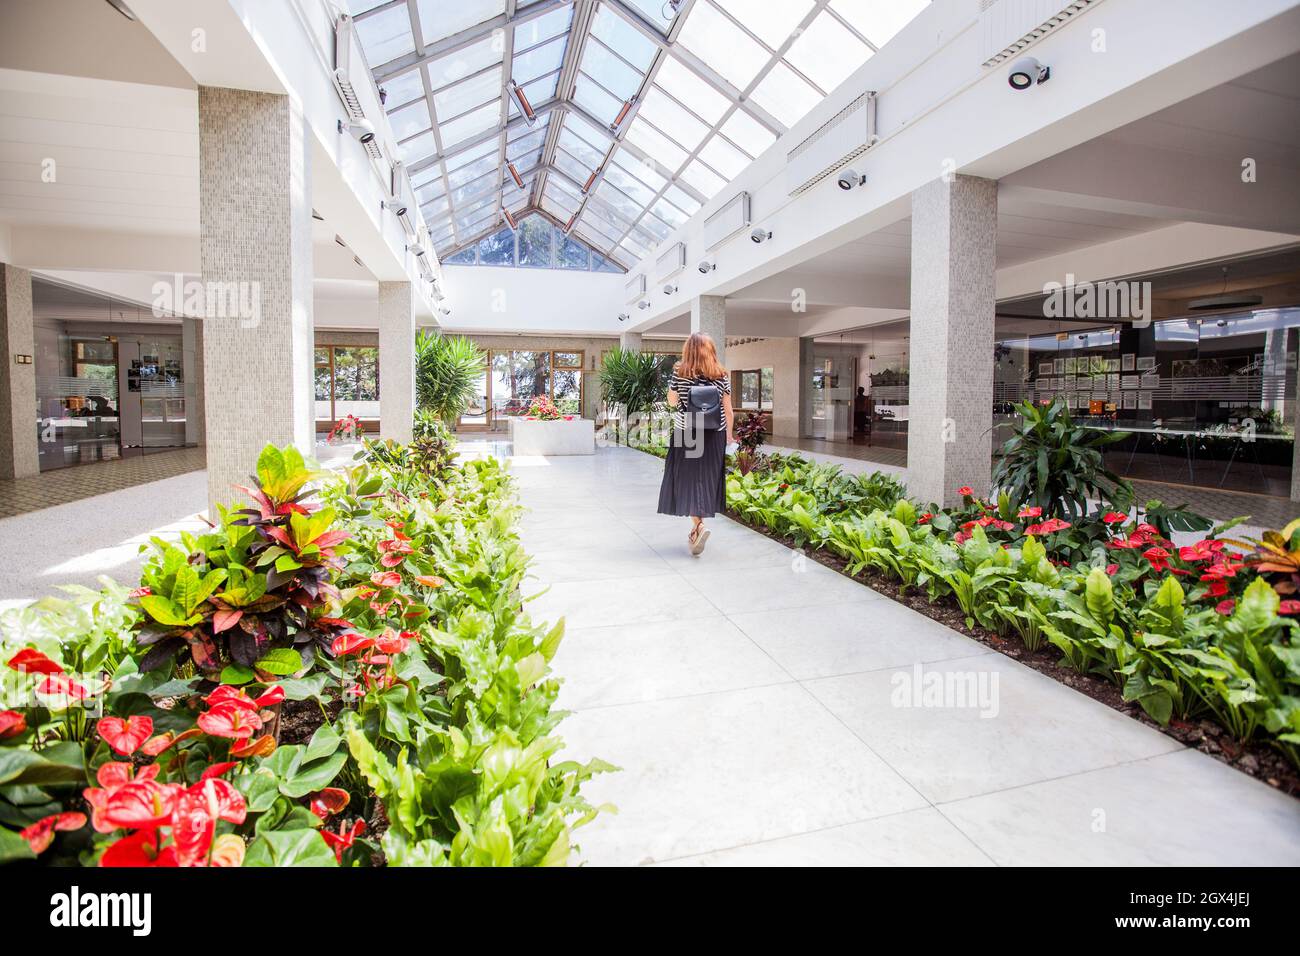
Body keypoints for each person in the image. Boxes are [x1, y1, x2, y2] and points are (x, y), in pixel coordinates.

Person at [657, 333, 734, 555]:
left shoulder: (680, 372)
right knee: (706, 480)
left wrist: (681, 389)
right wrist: (729, 436)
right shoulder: (721, 375)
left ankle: (698, 526)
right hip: (714, 433)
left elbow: (671, 402)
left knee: (685, 479)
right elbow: (728, 409)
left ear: (687, 350)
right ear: (711, 350)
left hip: (687, 432)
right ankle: (697, 528)